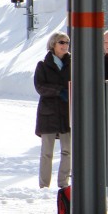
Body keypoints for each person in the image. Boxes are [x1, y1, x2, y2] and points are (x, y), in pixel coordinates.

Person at [33, 31, 71, 190]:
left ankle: (63, 184)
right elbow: (40, 87)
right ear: (53, 44)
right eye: (61, 42)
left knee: (67, 151)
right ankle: (44, 185)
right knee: (47, 152)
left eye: (67, 42)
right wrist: (59, 91)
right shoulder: (43, 64)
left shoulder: (73, 63)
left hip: (67, 113)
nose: (65, 45)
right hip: (48, 113)